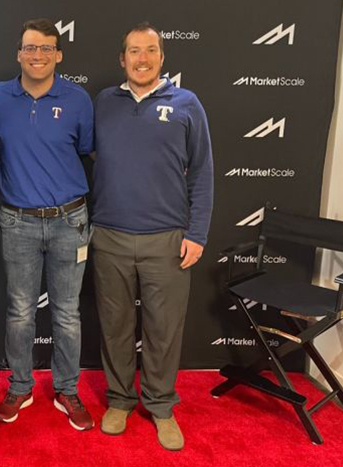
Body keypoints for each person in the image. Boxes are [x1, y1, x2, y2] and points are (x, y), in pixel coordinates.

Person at [92, 22, 214, 450]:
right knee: (116, 324)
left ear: (162, 58)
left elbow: (201, 173)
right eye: (133, 51)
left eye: (150, 51)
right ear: (122, 59)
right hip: (109, 236)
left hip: (167, 238)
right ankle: (120, 400)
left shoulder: (186, 103)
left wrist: (196, 233)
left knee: (163, 329)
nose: (141, 59)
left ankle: (161, 406)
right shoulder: (104, 103)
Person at [0, 18, 95, 431]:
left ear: (58, 55)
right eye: (30, 48)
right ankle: (20, 386)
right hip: (17, 222)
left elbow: (85, 149)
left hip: (70, 220)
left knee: (67, 313)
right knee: (19, 312)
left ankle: (68, 390)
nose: (37, 56)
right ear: (19, 53)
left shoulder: (78, 99)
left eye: (46, 49)